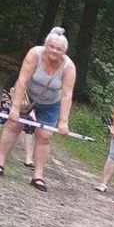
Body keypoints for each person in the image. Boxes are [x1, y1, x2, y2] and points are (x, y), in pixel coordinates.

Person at [0, 27, 76, 191]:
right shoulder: (35, 54)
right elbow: (22, 80)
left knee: (44, 136)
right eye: (51, 46)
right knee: (14, 125)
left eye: (59, 49)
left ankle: (38, 176)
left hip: (51, 103)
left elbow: (67, 95)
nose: (54, 51)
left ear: (64, 52)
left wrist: (63, 121)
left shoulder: (69, 67)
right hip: (27, 96)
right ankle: (0, 162)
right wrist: (15, 107)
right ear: (45, 45)